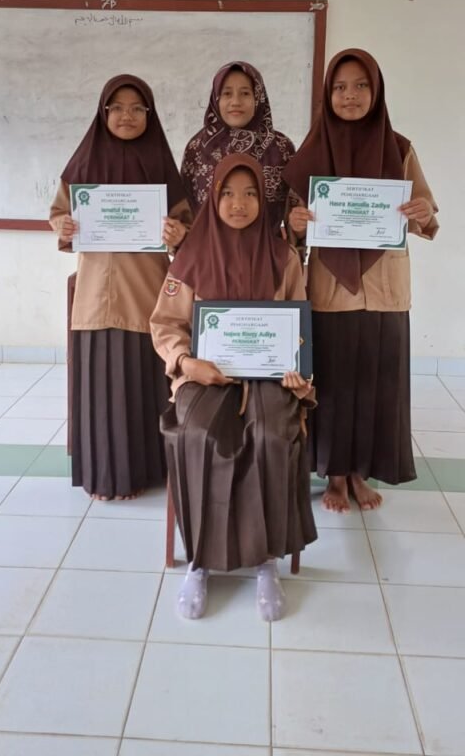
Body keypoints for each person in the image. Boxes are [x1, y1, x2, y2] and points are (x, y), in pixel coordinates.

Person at [150, 153, 317, 621]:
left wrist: (295, 368)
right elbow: (165, 324)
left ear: (263, 201)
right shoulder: (189, 258)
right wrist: (187, 362)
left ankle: (266, 561)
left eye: (249, 194)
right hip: (205, 376)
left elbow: (299, 327)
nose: (238, 204)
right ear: (213, 198)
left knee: (270, 436)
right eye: (227, 193)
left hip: (268, 379)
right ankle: (200, 562)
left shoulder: (283, 258)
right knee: (197, 435)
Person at [283, 48, 438, 513]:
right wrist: (295, 223)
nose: (349, 95)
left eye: (360, 86)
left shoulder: (400, 148)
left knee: (376, 385)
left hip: (385, 288)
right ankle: (334, 475)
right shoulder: (312, 151)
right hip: (330, 287)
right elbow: (290, 227)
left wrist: (422, 212)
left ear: (377, 91)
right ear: (327, 95)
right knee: (333, 386)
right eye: (339, 87)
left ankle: (359, 473)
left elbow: (426, 213)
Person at [49, 74, 191, 501]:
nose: (127, 116)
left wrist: (178, 234)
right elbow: (58, 214)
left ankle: (144, 471)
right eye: (117, 108)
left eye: (136, 108)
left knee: (139, 387)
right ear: (103, 113)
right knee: (100, 393)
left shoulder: (162, 167)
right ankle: (104, 476)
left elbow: (185, 225)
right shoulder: (82, 166)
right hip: (95, 296)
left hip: (145, 292)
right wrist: (64, 225)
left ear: (149, 114)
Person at [180, 61, 295, 231]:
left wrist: (298, 227)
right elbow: (186, 211)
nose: (235, 101)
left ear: (258, 97)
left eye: (245, 93)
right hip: (209, 246)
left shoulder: (281, 148)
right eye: (227, 93)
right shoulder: (197, 148)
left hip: (267, 246)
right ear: (216, 98)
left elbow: (295, 212)